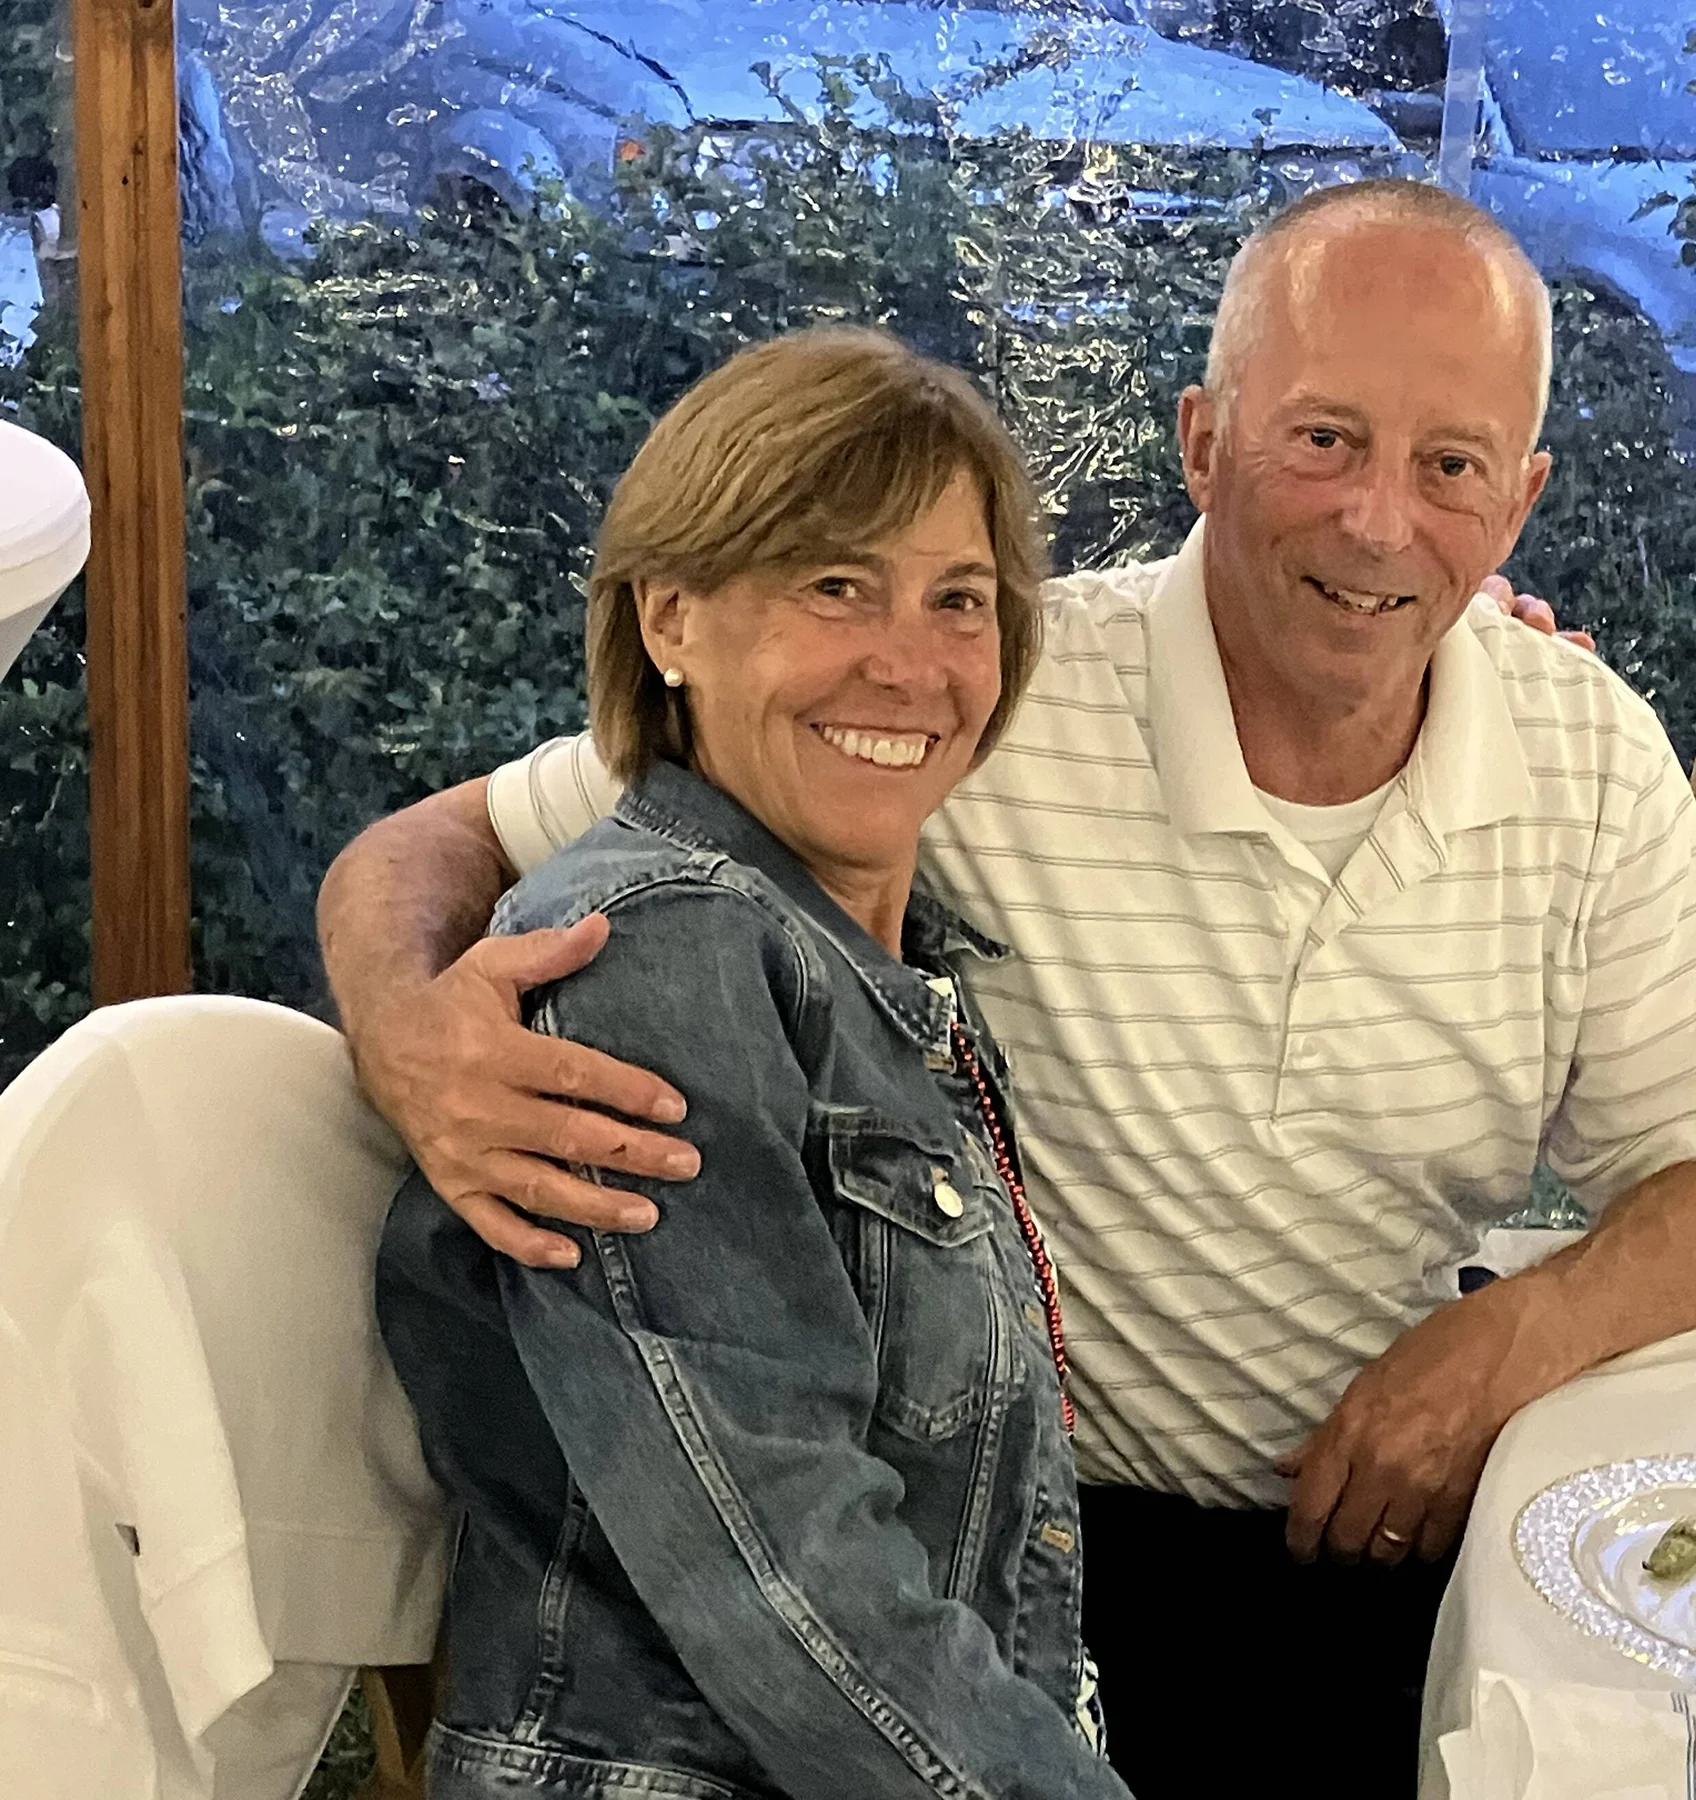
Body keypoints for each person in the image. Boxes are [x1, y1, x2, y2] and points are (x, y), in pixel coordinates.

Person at [327, 178, 1696, 1798]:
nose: (1380, 521)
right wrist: (412, 1038)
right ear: (1202, 443)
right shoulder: (954, 727)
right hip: (1038, 1569)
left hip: (1361, 1548)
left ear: (1519, 501)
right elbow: (438, 846)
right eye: (1324, 439)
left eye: (1449, 465)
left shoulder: (1578, 747)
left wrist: (1506, 1342)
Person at [374, 327, 1131, 1800]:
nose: (908, 663)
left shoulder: (877, 967)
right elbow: (785, 1584)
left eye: (958, 599)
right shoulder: (652, 960)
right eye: (835, 585)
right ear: (670, 616)